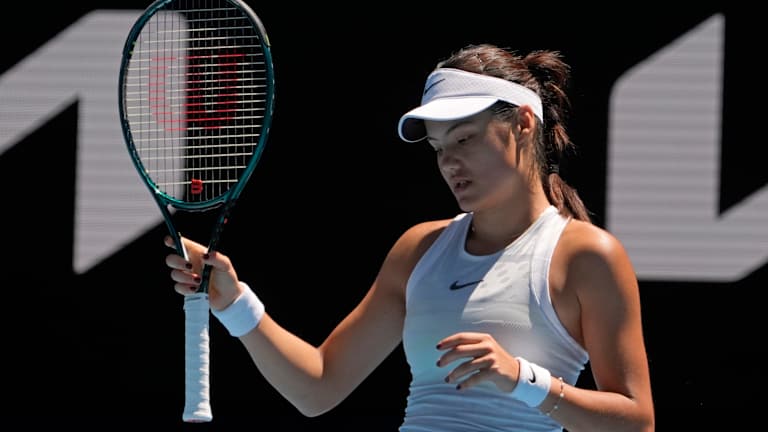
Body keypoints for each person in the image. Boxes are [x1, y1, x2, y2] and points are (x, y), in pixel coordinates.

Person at [165, 43, 655, 431]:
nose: (449, 163)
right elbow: (318, 386)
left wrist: (524, 380)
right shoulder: (419, 249)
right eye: (440, 148)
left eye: (464, 138)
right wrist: (233, 302)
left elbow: (636, 423)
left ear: (524, 124)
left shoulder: (587, 256)